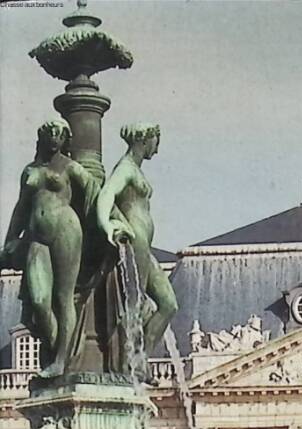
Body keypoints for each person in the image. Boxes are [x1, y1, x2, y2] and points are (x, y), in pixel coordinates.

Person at [1, 120, 98, 377]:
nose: (53, 137)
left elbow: (94, 196)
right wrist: (10, 239)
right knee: (40, 300)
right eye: (49, 132)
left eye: (58, 133)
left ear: (65, 139)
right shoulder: (30, 170)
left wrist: (106, 227)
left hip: (66, 231)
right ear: (41, 136)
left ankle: (60, 360)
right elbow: (20, 208)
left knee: (64, 297)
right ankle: (59, 347)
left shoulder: (72, 168)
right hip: (35, 238)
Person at [96, 123, 177, 355]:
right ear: (144, 139)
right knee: (134, 303)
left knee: (168, 304)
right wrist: (106, 224)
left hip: (144, 246)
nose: (157, 149)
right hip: (135, 241)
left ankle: (142, 356)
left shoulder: (135, 170)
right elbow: (107, 193)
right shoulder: (126, 168)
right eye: (156, 142)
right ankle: (125, 360)